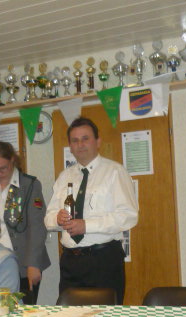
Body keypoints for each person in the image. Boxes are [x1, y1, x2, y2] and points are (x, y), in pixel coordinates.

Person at [45, 117, 138, 304]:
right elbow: (48, 219)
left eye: (85, 138)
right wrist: (57, 219)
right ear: (70, 146)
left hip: (103, 260)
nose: (80, 145)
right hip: (70, 262)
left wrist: (86, 226)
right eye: (75, 140)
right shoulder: (64, 176)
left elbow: (128, 216)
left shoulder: (115, 172)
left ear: (98, 141)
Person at [0, 141, 50, 305]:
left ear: (12, 160)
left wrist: (33, 264)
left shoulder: (29, 185)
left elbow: (37, 227)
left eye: (3, 168)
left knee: (21, 312)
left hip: (22, 263)